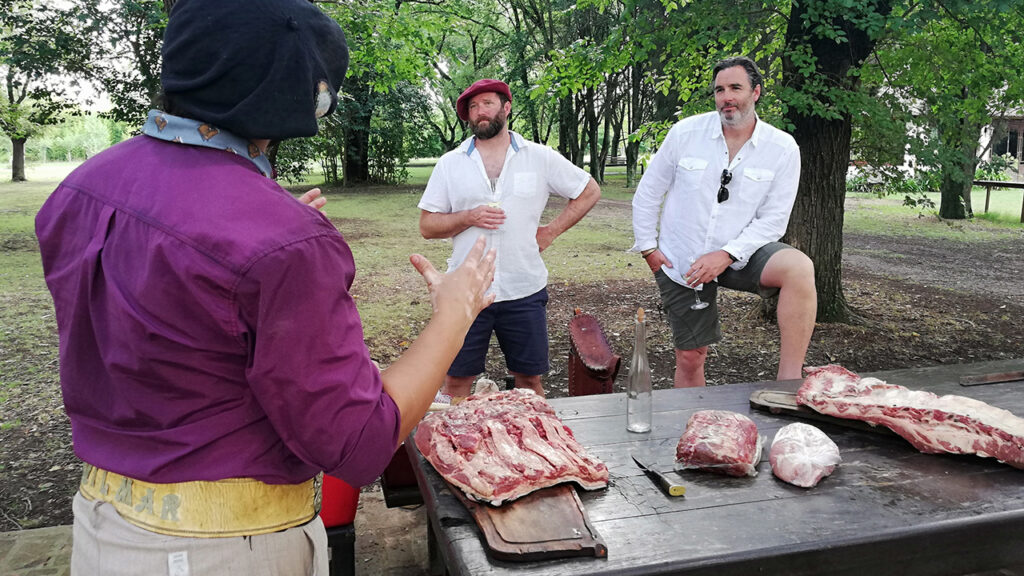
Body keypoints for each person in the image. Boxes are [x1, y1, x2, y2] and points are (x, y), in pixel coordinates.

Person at [34, 1, 494, 574]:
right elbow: (358, 442)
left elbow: (154, 313)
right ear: (306, 97)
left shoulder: (80, 188)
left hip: (101, 528)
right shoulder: (281, 243)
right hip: (224, 549)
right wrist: (454, 312)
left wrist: (252, 252)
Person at [631, 56, 816, 388]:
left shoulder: (782, 148)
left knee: (799, 268)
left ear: (756, 92)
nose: (726, 97)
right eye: (719, 90)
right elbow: (647, 193)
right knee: (691, 357)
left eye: (735, 88)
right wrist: (648, 248)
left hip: (742, 253)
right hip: (684, 258)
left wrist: (727, 254)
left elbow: (773, 221)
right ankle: (695, 428)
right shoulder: (685, 133)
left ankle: (788, 384)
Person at [418, 79, 601, 398]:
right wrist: (468, 216)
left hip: (523, 288)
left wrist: (550, 231)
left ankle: (532, 444)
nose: (479, 112)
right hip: (467, 291)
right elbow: (427, 225)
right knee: (456, 383)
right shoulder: (451, 163)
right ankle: (457, 448)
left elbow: (589, 191)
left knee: (529, 382)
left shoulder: (539, 157)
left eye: (487, 103)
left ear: (506, 107)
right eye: (473, 107)